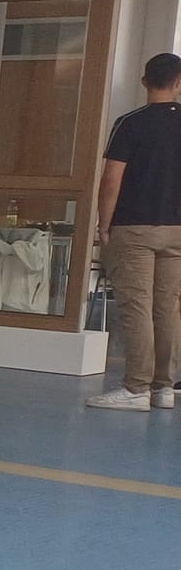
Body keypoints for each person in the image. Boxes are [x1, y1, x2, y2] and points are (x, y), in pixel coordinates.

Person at [84, 51, 181, 412]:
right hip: (177, 230)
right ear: (178, 82)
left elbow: (112, 179)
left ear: (144, 81)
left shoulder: (130, 123)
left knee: (137, 305)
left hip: (134, 227)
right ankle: (164, 387)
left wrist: (104, 224)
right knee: (168, 307)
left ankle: (136, 387)